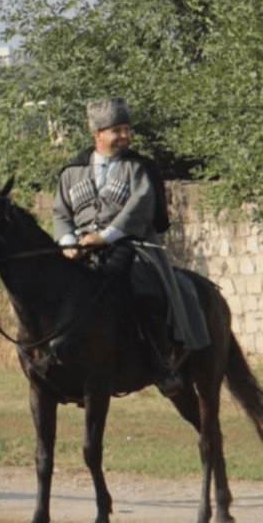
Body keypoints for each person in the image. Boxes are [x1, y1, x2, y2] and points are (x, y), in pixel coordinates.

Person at [53, 97, 209, 397]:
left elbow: (140, 209)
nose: (125, 136)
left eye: (127, 129)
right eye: (117, 130)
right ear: (98, 134)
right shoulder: (72, 171)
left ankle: (163, 361)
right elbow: (60, 213)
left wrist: (104, 237)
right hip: (81, 249)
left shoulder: (139, 168)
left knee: (145, 290)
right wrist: (68, 242)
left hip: (132, 244)